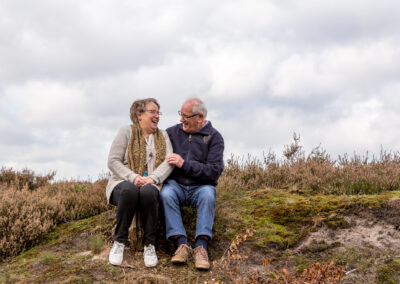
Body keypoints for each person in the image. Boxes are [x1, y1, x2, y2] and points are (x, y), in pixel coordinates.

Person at [106, 98, 173, 267]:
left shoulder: (163, 135)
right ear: (139, 115)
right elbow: (113, 161)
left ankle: (149, 244)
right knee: (130, 190)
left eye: (158, 112)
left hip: (151, 183)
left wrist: (152, 178)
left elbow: (169, 161)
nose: (157, 115)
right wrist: (133, 177)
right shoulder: (126, 132)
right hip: (122, 183)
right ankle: (119, 242)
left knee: (149, 191)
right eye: (153, 112)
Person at [160, 98, 224, 270]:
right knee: (165, 194)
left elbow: (214, 171)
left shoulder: (215, 138)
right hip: (176, 185)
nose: (181, 119)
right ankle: (181, 244)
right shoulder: (170, 133)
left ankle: (201, 246)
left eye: (186, 116)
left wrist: (184, 164)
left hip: (201, 187)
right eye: (180, 114)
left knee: (208, 195)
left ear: (200, 117)